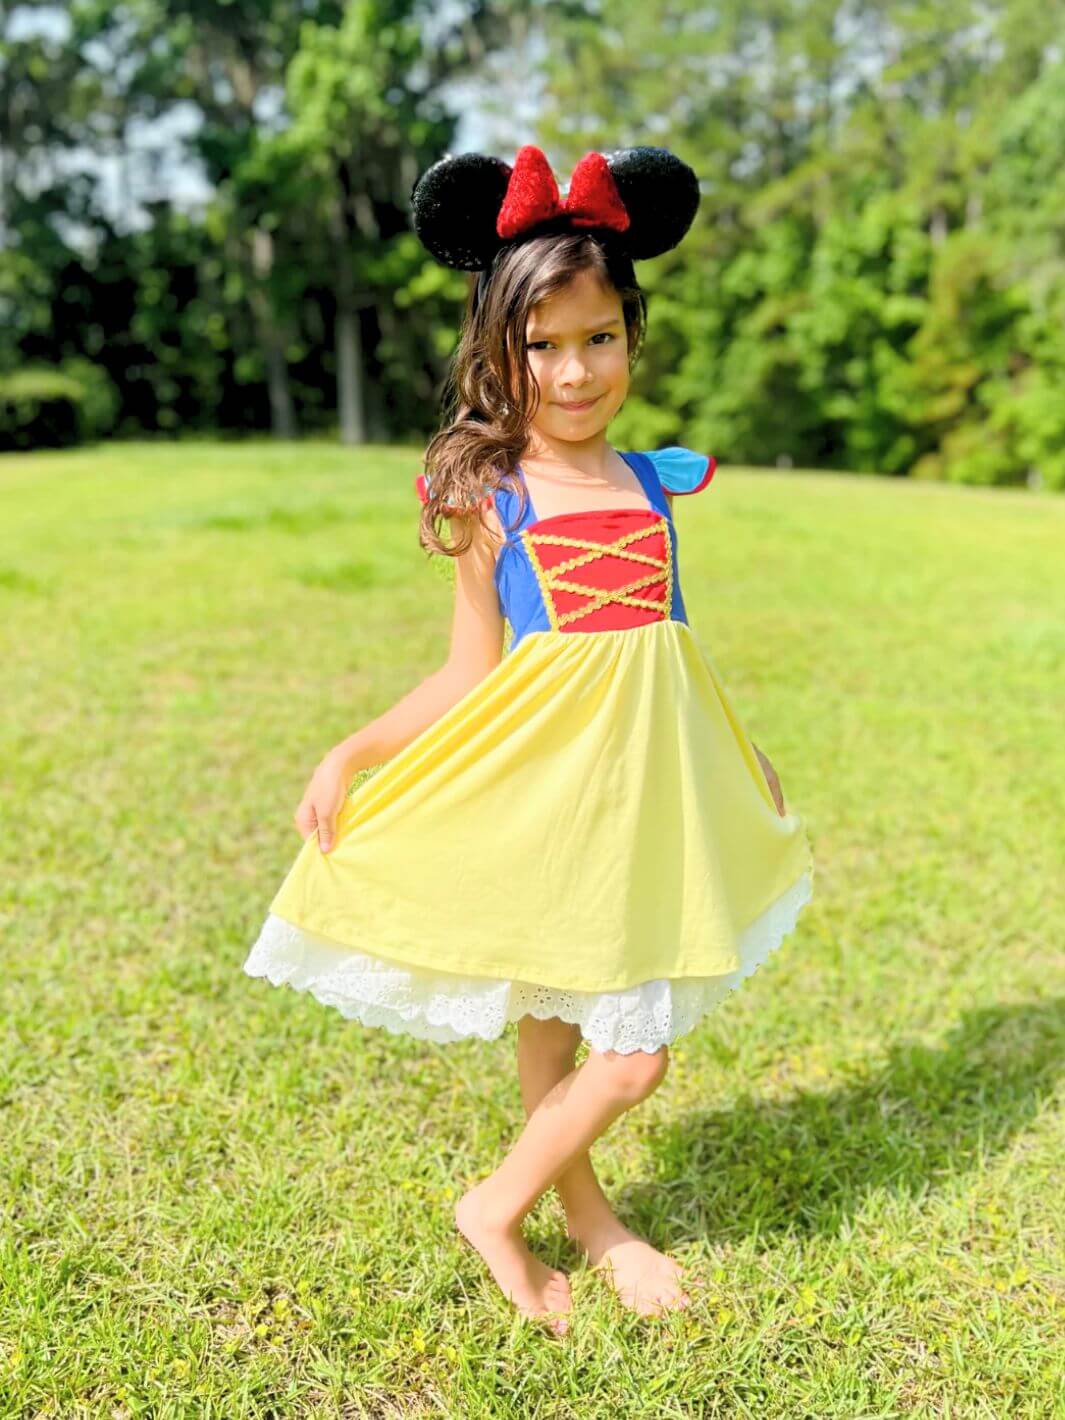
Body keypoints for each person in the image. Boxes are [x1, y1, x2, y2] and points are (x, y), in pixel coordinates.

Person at [243, 144, 815, 1336]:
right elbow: (469, 670)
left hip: (643, 808)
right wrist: (352, 752)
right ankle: (498, 1206)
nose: (573, 370)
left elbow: (673, 644)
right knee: (628, 1057)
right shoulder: (496, 497)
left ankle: (590, 1217)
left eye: (599, 337)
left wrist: (741, 753)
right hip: (552, 802)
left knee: (571, 1035)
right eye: (542, 344)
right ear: (497, 349)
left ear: (632, 333)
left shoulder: (650, 486)